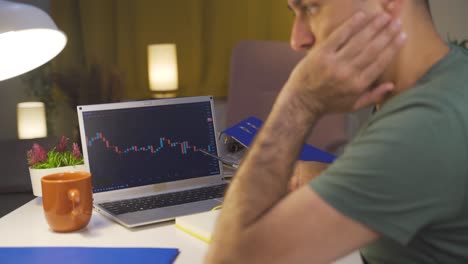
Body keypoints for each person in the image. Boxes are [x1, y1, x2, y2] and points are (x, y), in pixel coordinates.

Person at [206, 0, 468, 263]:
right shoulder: (453, 73)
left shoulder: (422, 126)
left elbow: (226, 259)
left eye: (311, 7)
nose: (297, 40)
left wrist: (299, 101)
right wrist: (335, 176)